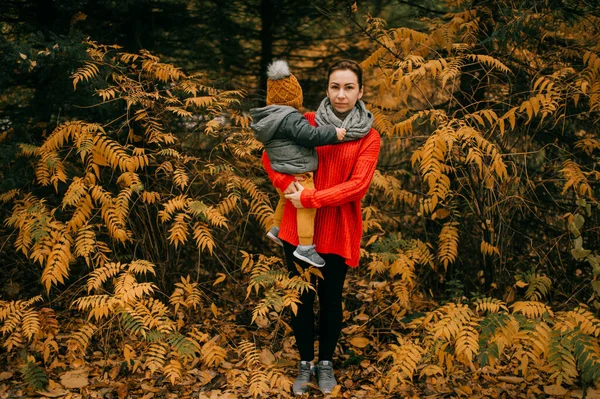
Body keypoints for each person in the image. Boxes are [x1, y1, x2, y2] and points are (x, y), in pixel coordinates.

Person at [261, 59, 381, 395]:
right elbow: (270, 154)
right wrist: (286, 186)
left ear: (360, 91)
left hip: (338, 228)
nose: (341, 94)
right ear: (327, 89)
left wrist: (311, 198)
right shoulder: (307, 122)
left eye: (349, 87)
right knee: (301, 298)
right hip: (296, 230)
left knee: (330, 301)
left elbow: (358, 186)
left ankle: (325, 364)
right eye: (335, 87)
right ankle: (304, 364)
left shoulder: (369, 138)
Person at [250, 60, 347, 267]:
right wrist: (332, 132)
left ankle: (276, 229)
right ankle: (305, 248)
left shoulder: (269, 119)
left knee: (284, 201)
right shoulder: (291, 118)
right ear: (295, 96)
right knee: (306, 208)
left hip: (282, 172)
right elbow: (309, 136)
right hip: (298, 173)